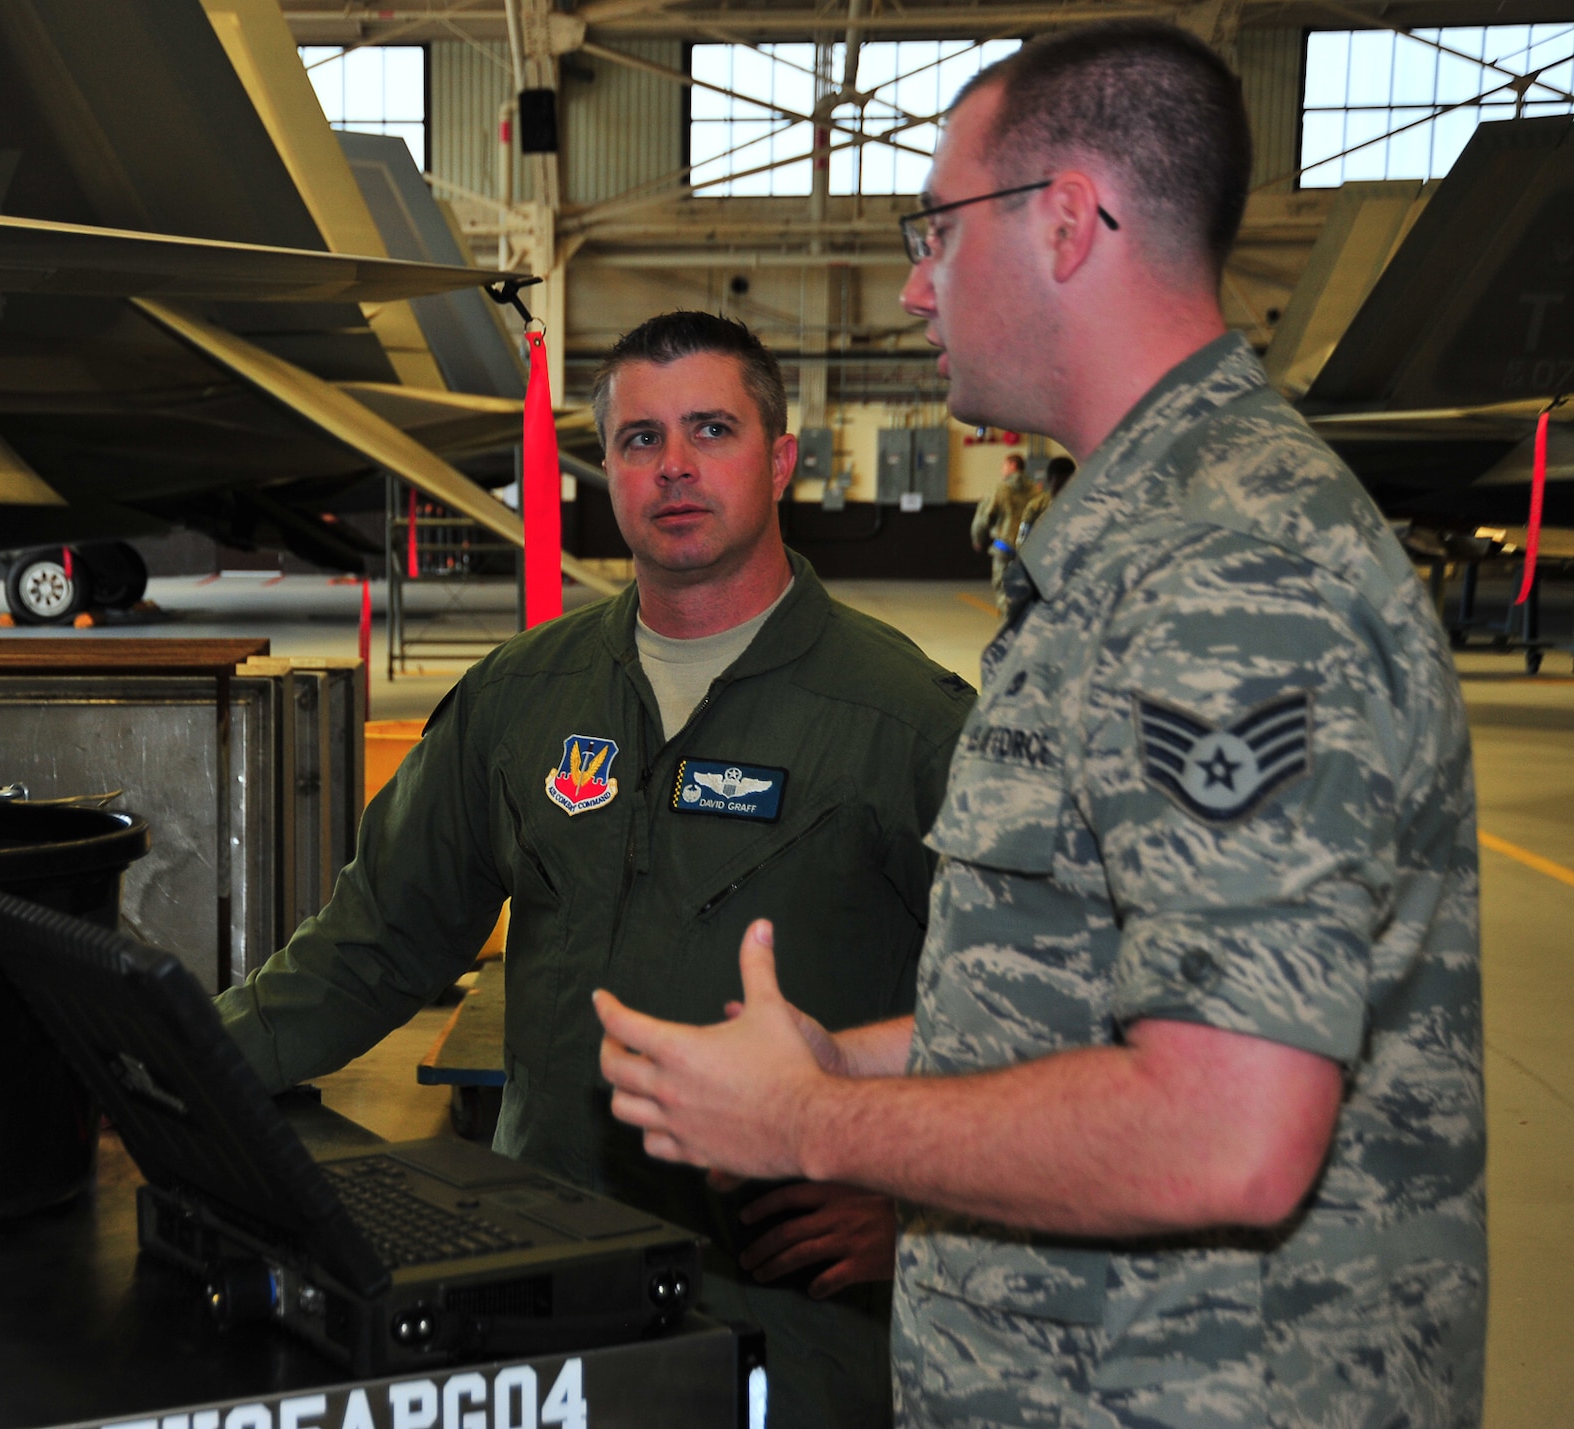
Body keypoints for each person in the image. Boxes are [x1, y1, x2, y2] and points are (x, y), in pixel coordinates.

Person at [594, 24, 1483, 1429]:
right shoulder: (1132, 542)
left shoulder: (1226, 569)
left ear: (1065, 223)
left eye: (936, 232)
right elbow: (1085, 989)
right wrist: (845, 1060)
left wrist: (812, 1123)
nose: (913, 285)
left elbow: (1229, 1129)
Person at [216, 310, 975, 1427]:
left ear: (780, 461)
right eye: (638, 438)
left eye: (710, 429)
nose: (672, 466)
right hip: (538, 1285)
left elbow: (1033, 1012)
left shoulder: (904, 723)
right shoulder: (523, 696)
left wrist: (926, 1209)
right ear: (606, 472)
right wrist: (186, 1063)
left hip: (787, 1324)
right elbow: (375, 941)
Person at [969, 452, 1038, 609]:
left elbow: (983, 518)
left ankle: (1007, 618)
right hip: (1028, 551)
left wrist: (977, 539)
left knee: (1003, 591)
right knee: (1027, 593)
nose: (1002, 469)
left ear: (1013, 466)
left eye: (1004, 465)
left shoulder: (1000, 490)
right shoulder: (1036, 492)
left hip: (1004, 549)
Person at [1016, 454, 1076, 544]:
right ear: (1049, 480)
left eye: (1067, 486)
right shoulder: (1036, 507)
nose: (1062, 492)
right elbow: (1022, 541)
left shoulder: (1079, 505)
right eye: (1058, 487)